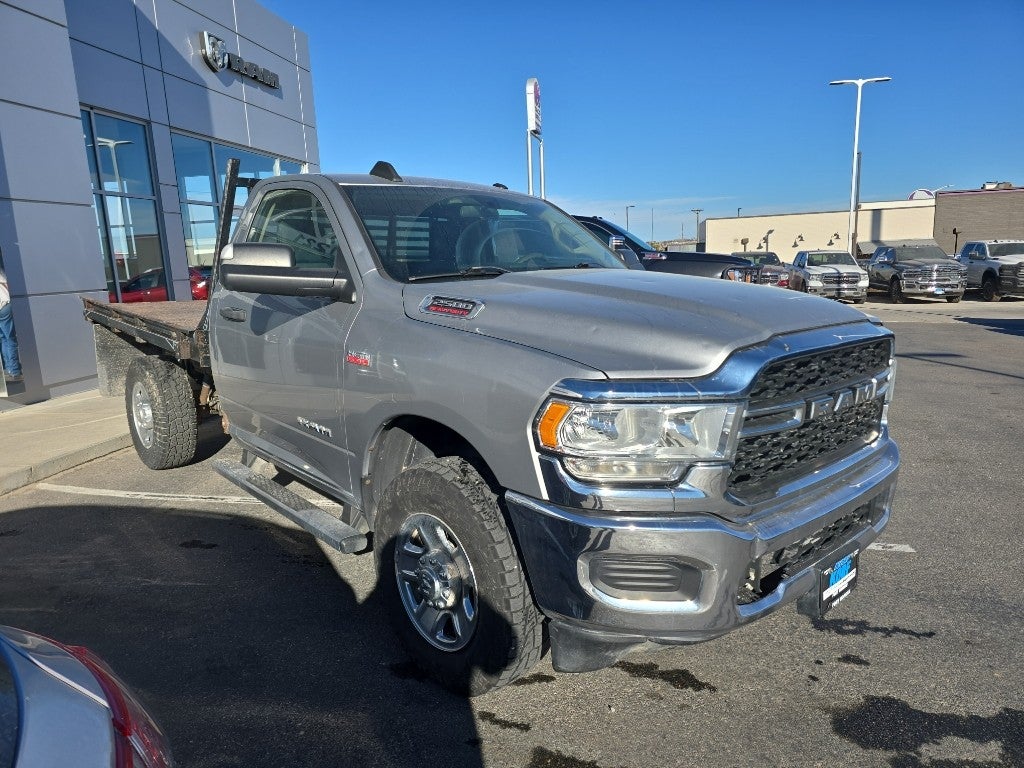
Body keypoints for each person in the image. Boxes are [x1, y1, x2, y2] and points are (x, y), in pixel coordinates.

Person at [0, 267, 22, 383]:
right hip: (5, 305)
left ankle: (9, 369)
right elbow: (7, 284)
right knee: (10, 338)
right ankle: (15, 371)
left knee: (4, 339)